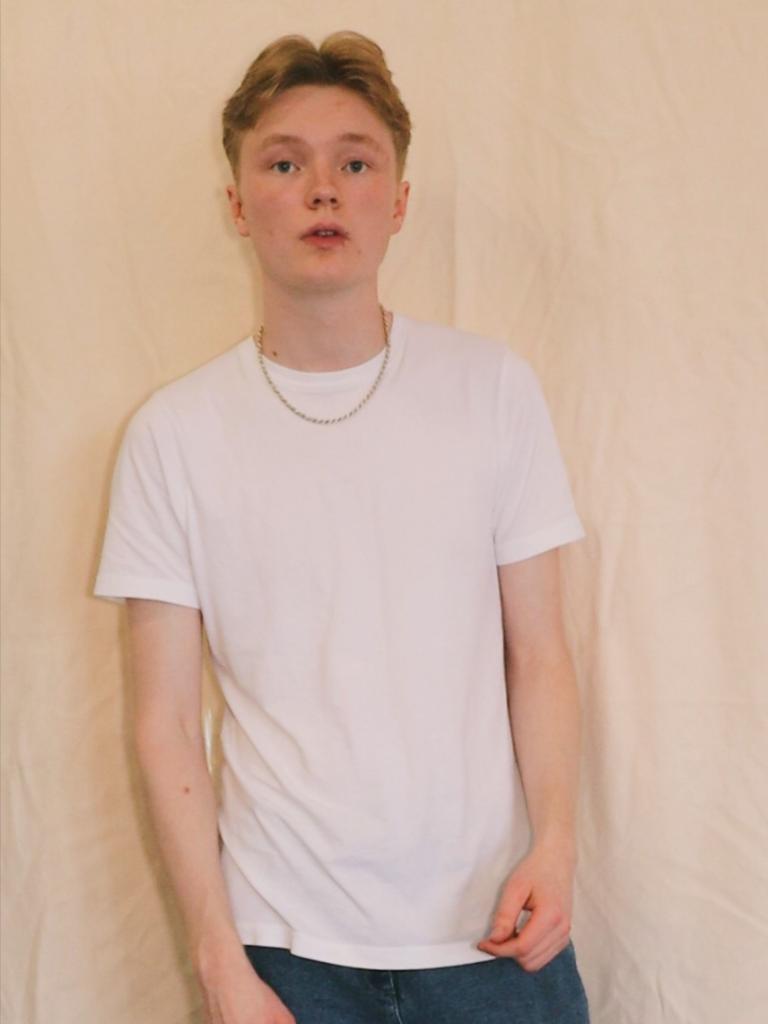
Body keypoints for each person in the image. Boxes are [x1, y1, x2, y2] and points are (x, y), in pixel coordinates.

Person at [93, 30, 591, 1024]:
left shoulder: (491, 389)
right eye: (285, 164)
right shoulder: (172, 435)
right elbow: (164, 723)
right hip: (284, 957)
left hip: (496, 935)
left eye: (355, 163)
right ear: (238, 203)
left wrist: (558, 845)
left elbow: (539, 653)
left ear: (398, 199)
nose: (323, 189)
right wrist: (220, 962)